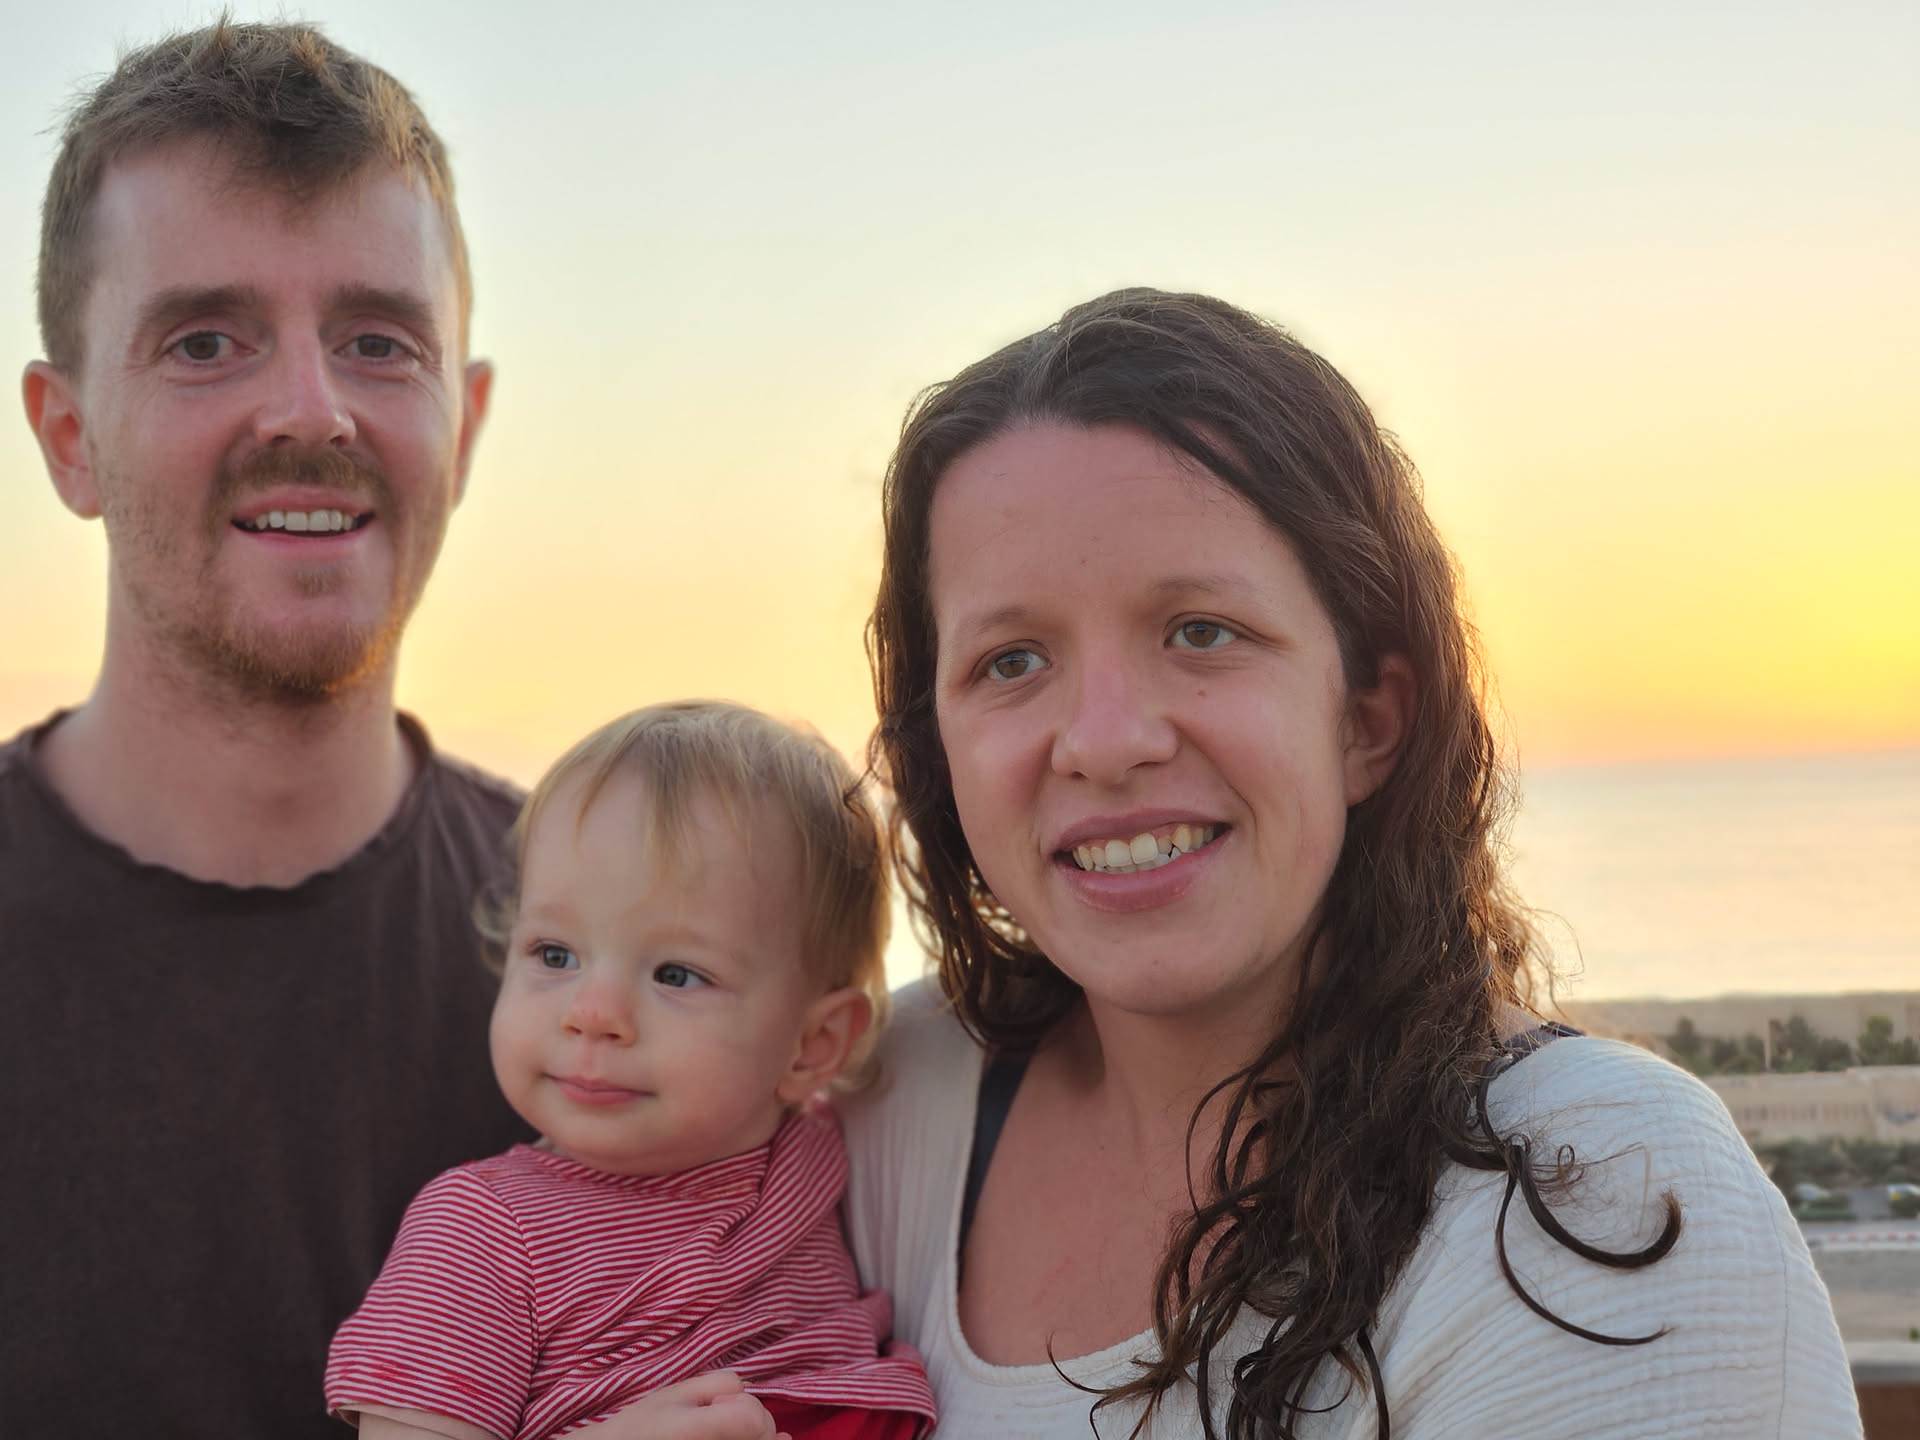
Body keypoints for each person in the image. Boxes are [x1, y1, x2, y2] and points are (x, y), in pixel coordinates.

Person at [842, 289, 1862, 1437]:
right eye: (1012, 659)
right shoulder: (882, 1102)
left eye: (1200, 632)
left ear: (1369, 720)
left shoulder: (1600, 1194)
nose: (1106, 740)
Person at [0, 21, 529, 1436]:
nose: (312, 411)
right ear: (68, 437)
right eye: (205, 342)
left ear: (466, 426)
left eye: (377, 342)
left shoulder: (639, 976)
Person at [325, 701, 937, 1440]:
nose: (593, 1013)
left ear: (813, 1045)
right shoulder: (479, 1235)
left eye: (676, 973)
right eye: (555, 954)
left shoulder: (827, 1153)